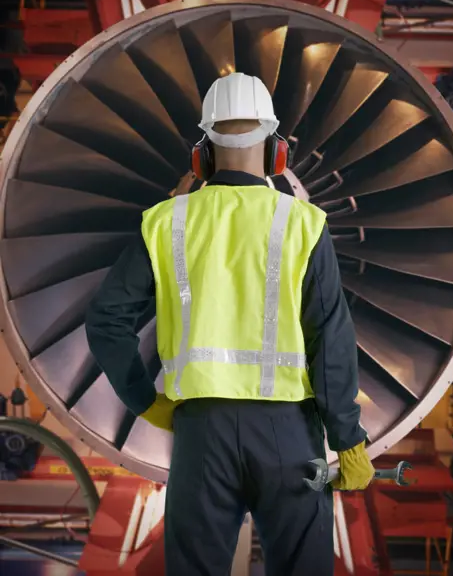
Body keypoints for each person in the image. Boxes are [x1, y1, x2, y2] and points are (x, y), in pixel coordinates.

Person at [86, 72, 375, 576]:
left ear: (203, 152)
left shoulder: (165, 222)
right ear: (275, 150)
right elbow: (330, 339)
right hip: (290, 436)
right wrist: (347, 438)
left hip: (201, 433)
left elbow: (107, 322)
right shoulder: (303, 225)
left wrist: (144, 400)